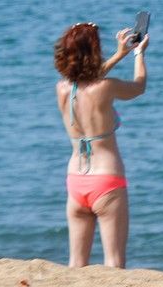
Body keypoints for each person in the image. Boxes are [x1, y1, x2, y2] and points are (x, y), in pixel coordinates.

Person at [53, 22, 149, 268]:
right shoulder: (106, 87)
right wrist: (139, 54)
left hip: (76, 180)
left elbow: (85, 81)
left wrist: (120, 54)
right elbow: (139, 86)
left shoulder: (63, 89)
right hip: (107, 181)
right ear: (93, 54)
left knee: (75, 263)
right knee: (114, 262)